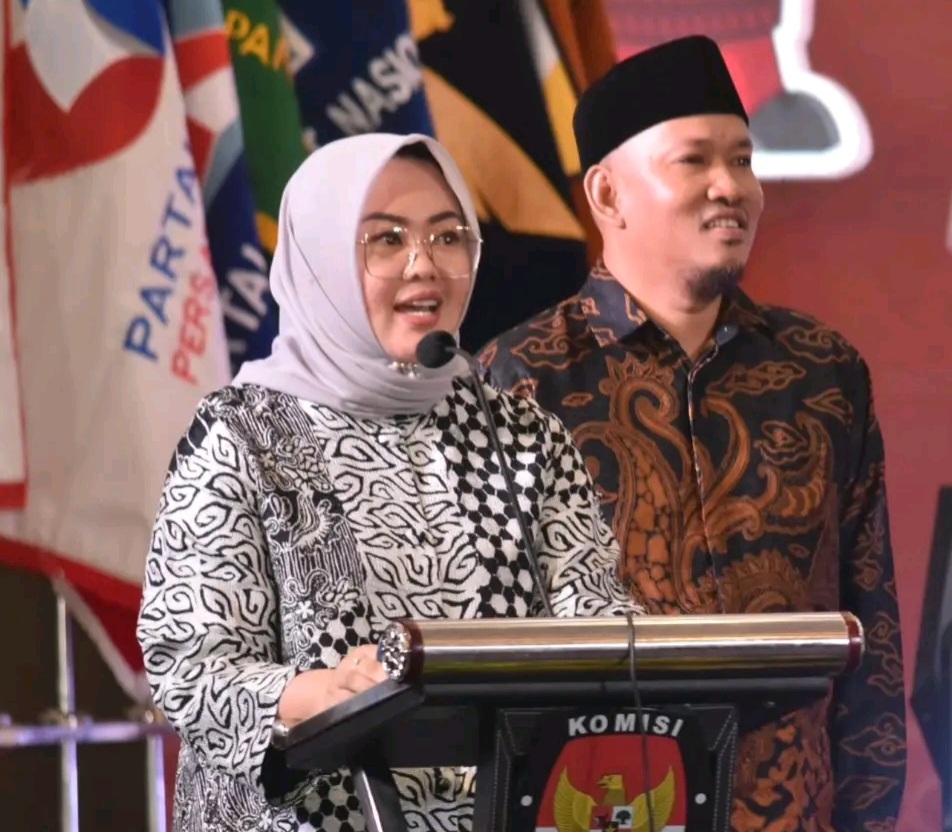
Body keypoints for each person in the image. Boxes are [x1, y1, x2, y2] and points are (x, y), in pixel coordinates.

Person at [136, 133, 639, 832]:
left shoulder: (522, 433)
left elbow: (596, 622)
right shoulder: (241, 434)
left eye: (448, 236)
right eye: (386, 239)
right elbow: (190, 667)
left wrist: (623, 653)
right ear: (320, 259)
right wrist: (319, 692)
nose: (423, 264)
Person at [480, 35, 906, 831]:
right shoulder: (515, 383)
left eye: (743, 161)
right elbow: (483, 652)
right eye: (695, 161)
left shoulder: (822, 373)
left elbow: (869, 635)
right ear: (608, 193)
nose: (731, 187)